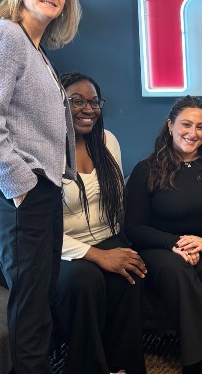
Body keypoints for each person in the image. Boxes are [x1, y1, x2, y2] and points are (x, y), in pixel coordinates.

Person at [0, 0, 80, 374]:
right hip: (18, 187)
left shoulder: (36, 51)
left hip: (40, 187)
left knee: (41, 293)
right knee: (31, 300)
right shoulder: (6, 36)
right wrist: (19, 184)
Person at [126, 96, 202, 374]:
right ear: (170, 125)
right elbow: (134, 228)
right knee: (177, 272)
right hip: (164, 247)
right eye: (186, 125)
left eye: (201, 127)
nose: (193, 133)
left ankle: (201, 355)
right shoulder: (147, 170)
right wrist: (173, 244)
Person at [56, 72, 147, 374]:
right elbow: (41, 229)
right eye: (77, 101)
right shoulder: (45, 150)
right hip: (59, 248)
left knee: (131, 272)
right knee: (86, 280)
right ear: (57, 101)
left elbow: (118, 203)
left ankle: (123, 368)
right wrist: (98, 256)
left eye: (94, 102)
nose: (88, 109)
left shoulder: (108, 141)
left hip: (106, 236)